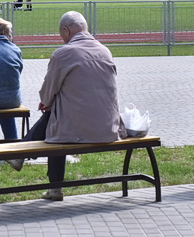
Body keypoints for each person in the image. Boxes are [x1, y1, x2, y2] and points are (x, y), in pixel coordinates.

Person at [7, 11, 124, 201]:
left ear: (65, 30)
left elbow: (47, 91)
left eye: (62, 35)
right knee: (56, 117)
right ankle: (23, 156)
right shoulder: (105, 50)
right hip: (108, 127)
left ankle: (43, 175)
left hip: (78, 130)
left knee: (55, 122)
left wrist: (47, 101)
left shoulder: (64, 53)